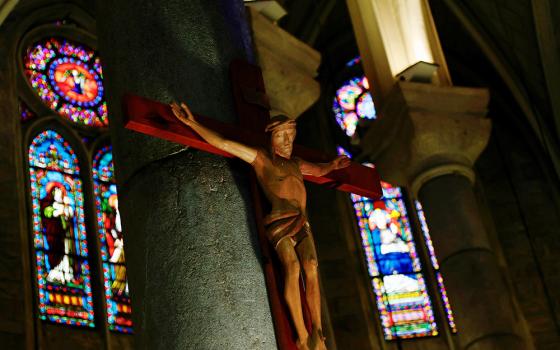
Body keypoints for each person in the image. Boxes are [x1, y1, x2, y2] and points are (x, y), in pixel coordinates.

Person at [171, 102, 350, 350]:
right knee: (294, 266)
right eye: (281, 136)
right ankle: (301, 333)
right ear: (270, 139)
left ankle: (318, 331)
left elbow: (318, 171)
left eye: (290, 136)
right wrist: (191, 123)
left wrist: (332, 166)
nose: (287, 142)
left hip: (301, 220)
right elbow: (223, 143)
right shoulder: (262, 159)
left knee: (311, 265)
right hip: (279, 219)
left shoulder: (296, 163)